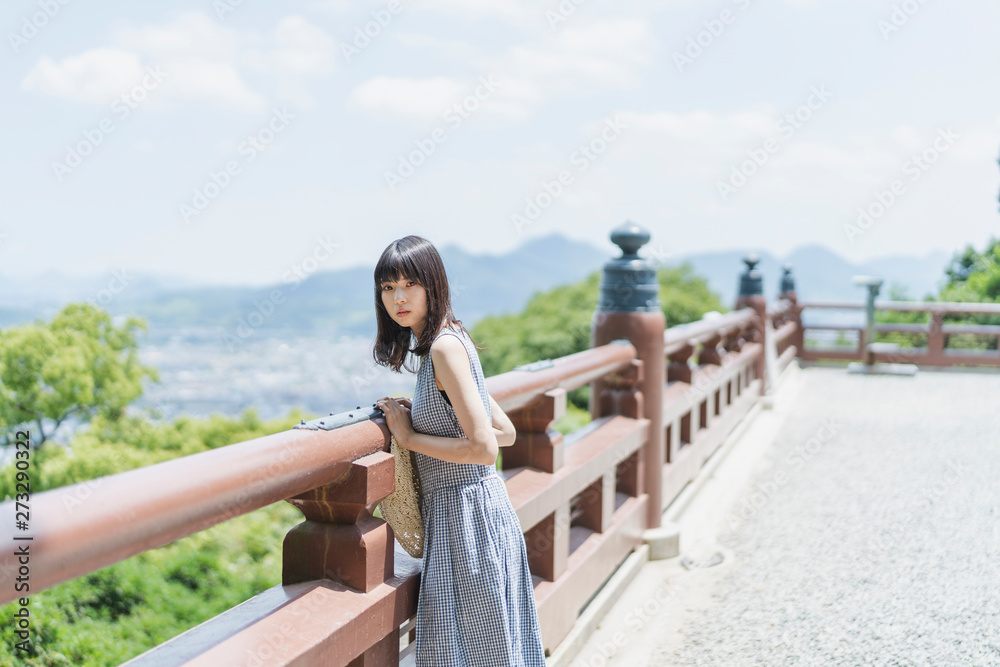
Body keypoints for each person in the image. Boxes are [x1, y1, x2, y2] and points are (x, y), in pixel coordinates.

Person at [373, 235, 546, 666]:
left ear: (433, 284)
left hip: (465, 519)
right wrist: (434, 415)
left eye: (409, 284)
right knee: (492, 649)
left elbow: (485, 447)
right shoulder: (451, 340)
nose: (398, 297)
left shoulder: (445, 349)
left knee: (470, 652)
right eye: (388, 287)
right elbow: (504, 431)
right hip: (478, 514)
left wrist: (410, 437)